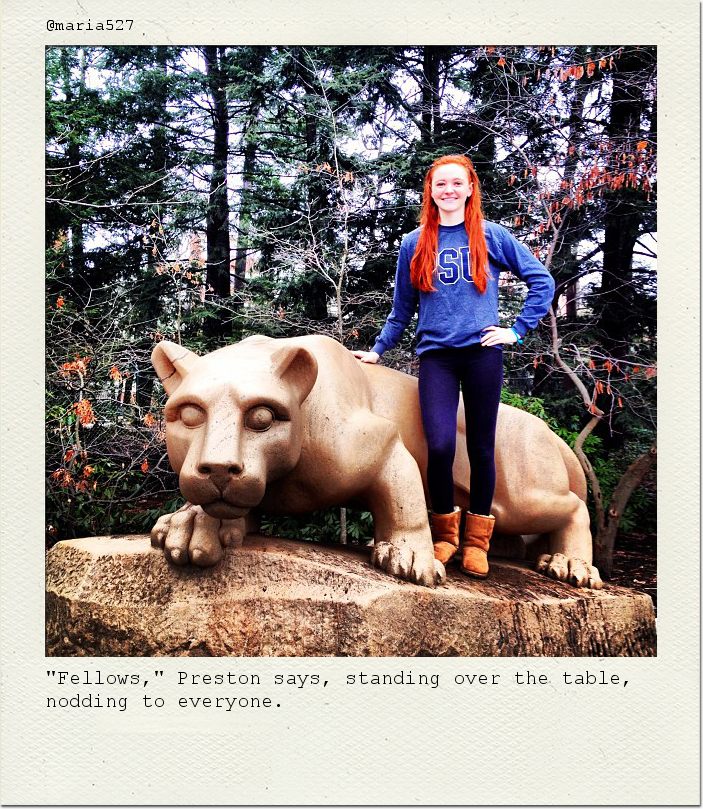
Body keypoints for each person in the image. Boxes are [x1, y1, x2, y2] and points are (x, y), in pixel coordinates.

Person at [353, 154, 555, 579]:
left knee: (481, 447)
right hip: (436, 358)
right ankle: (444, 535)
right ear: (431, 190)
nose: (448, 190)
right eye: (440, 184)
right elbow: (402, 308)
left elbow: (542, 281)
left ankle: (477, 542)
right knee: (440, 446)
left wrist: (515, 331)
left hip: (483, 353)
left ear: (468, 188)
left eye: (456, 183)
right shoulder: (415, 242)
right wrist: (378, 350)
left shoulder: (490, 236)